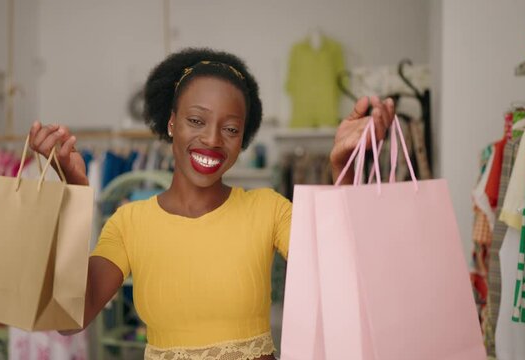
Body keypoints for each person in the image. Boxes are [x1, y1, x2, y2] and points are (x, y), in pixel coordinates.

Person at [29, 48, 395, 360]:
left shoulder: (269, 208)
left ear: (244, 137)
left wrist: (343, 169)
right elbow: (69, 319)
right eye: (195, 120)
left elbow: (339, 283)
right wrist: (73, 192)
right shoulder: (129, 222)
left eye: (231, 129)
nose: (212, 139)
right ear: (172, 123)